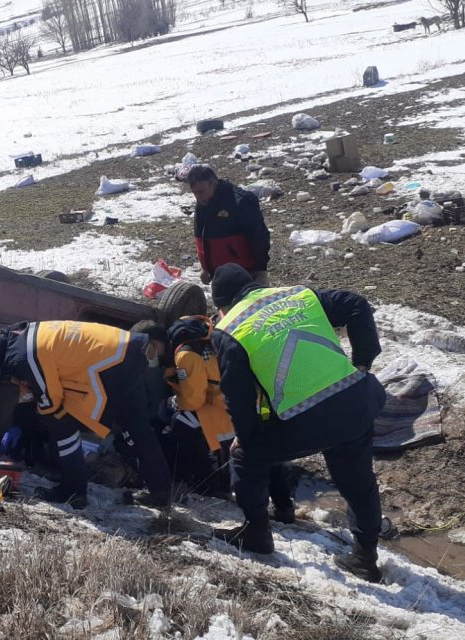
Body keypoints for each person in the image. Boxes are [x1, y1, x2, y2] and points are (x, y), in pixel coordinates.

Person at [208, 264, 387, 582]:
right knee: (358, 480)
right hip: (357, 400)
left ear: (221, 305)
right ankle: (365, 556)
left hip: (310, 418)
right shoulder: (299, 296)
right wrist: (362, 361)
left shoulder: (230, 330)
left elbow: (237, 398)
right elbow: (357, 304)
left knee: (244, 457)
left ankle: (257, 534)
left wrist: (247, 439)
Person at [0, 321, 173, 509]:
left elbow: (51, 399)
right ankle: (161, 493)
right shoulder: (23, 332)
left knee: (60, 423)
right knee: (139, 429)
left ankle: (73, 491)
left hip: (110, 365)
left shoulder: (24, 356)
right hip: (125, 350)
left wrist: (26, 420)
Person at [164, 316, 293, 515]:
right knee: (264, 453)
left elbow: (193, 399)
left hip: (223, 410)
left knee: (181, 424)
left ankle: (183, 483)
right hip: (258, 402)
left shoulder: (187, 354)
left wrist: (173, 399)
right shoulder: (221, 335)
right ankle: (284, 505)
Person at [187, 165, 270, 287]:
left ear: (213, 184)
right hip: (219, 274)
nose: (198, 197)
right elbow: (200, 238)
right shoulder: (202, 204)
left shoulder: (241, 201)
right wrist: (205, 268)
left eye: (201, 191)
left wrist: (260, 270)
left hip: (245, 272)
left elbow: (259, 236)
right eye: (195, 193)